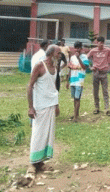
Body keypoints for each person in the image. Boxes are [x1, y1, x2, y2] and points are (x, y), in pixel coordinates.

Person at [27, 45, 61, 173]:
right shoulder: (39, 66)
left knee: (47, 134)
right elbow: (30, 86)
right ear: (51, 53)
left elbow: (53, 88)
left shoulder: (55, 67)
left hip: (51, 105)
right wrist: (30, 107)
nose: (59, 55)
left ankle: (40, 162)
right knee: (38, 133)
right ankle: (33, 162)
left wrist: (56, 105)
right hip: (40, 106)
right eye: (58, 53)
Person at [87, 36, 110, 116]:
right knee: (95, 91)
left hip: (104, 72)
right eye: (100, 42)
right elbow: (86, 59)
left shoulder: (107, 50)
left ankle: (107, 108)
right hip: (96, 72)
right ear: (97, 43)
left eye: (103, 43)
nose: (101, 44)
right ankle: (97, 107)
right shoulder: (93, 51)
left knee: (105, 91)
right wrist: (90, 67)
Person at [66, 41, 90, 122]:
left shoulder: (84, 57)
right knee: (74, 99)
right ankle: (75, 114)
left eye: (78, 48)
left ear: (81, 48)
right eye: (75, 48)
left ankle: (76, 117)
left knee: (77, 98)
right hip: (72, 80)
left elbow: (84, 67)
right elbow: (70, 68)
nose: (77, 49)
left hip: (79, 81)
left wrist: (78, 58)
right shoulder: (72, 57)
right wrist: (67, 81)